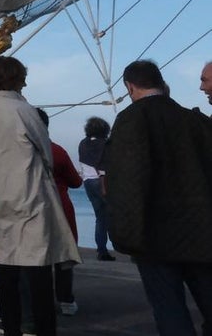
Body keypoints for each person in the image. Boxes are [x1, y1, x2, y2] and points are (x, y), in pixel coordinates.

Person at [0, 56, 80, 336]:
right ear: (17, 79)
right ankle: (43, 328)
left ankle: (11, 327)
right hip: (29, 193)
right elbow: (45, 152)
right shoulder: (23, 110)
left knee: (5, 264)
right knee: (38, 268)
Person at [105, 59, 212, 336]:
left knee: (169, 309)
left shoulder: (131, 120)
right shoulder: (194, 120)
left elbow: (128, 181)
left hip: (155, 236)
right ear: (161, 83)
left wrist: (125, 235)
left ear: (130, 87)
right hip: (201, 231)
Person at [36, 107, 83, 316]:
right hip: (60, 206)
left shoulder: (24, 152)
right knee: (63, 257)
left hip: (34, 209)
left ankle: (41, 300)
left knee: (39, 259)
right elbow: (76, 181)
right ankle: (66, 299)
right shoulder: (58, 151)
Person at [78, 116, 115, 261]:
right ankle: (123, 246)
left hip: (88, 182)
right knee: (115, 216)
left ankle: (101, 250)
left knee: (100, 217)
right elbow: (103, 167)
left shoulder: (83, 143)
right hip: (102, 181)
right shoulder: (104, 144)